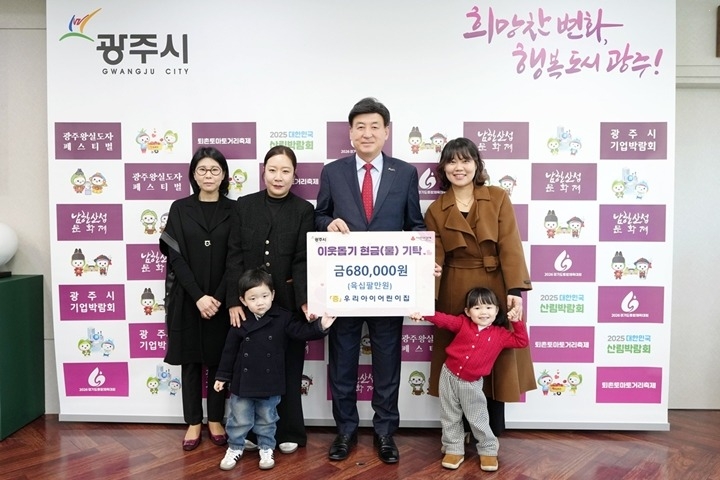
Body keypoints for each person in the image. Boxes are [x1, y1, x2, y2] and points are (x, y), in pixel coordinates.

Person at [314, 97, 425, 464]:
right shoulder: (333, 172)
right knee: (342, 363)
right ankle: (345, 431)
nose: (367, 133)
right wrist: (328, 223)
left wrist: (422, 264)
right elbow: (319, 216)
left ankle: (385, 432)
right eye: (360, 127)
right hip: (344, 287)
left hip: (388, 288)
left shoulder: (404, 173)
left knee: (388, 364)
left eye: (374, 126)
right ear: (350, 132)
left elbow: (415, 225)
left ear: (386, 132)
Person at [424, 137, 536, 438]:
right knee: (459, 358)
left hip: (495, 286)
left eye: (465, 160)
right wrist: (426, 295)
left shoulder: (497, 197)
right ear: (443, 168)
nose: (459, 167)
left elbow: (510, 244)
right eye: (452, 161)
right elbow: (435, 257)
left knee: (496, 357)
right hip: (454, 288)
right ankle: (457, 433)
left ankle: (491, 432)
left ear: (477, 165)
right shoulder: (436, 209)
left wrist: (514, 290)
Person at [225, 145, 315, 455]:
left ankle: (289, 430)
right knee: (249, 367)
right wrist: (233, 300)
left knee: (289, 367)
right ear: (263, 172)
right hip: (249, 303)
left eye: (285, 171)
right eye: (273, 170)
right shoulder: (245, 205)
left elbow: (303, 260)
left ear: (294, 175)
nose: (278, 177)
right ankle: (250, 433)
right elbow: (234, 255)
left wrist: (304, 301)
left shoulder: (304, 210)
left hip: (287, 303)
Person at [214, 268, 337, 471]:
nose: (260, 302)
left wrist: (321, 326)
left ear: (273, 294)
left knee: (267, 419)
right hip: (242, 383)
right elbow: (229, 352)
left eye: (264, 296)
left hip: (270, 383)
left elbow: (301, 332)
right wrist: (222, 376)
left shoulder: (284, 317)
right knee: (239, 419)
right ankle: (235, 447)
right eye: (253, 298)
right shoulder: (240, 320)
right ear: (243, 300)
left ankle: (266, 447)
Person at [160, 147, 236, 451]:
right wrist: (199, 297)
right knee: (190, 362)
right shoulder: (180, 208)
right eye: (202, 169)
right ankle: (193, 421)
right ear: (193, 174)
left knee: (219, 361)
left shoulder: (235, 210)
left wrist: (216, 297)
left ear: (224, 175)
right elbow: (175, 257)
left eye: (215, 170)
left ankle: (215, 419)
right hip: (188, 299)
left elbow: (236, 258)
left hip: (222, 301)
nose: (208, 175)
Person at [410, 287, 529, 472]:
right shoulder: (462, 324)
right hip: (448, 375)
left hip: (471, 383)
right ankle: (453, 448)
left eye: (488, 307)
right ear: (467, 311)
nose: (483, 312)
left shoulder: (500, 335)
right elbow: (443, 319)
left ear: (497, 310)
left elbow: (521, 341)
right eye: (477, 308)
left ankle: (488, 449)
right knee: (450, 415)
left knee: (478, 418)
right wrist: (423, 314)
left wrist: (516, 322)